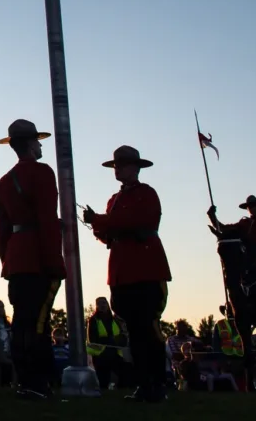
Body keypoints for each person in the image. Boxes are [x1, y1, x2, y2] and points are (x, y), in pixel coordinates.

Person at [83, 145, 173, 403]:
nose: (118, 169)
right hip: (122, 272)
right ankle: (144, 384)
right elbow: (110, 234)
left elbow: (132, 222)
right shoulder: (114, 199)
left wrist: (99, 220)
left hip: (146, 270)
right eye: (116, 165)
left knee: (148, 329)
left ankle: (157, 384)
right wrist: (96, 226)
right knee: (133, 332)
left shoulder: (147, 194)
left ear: (135, 168)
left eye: (121, 165)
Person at [0, 119, 66, 399]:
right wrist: (55, 261)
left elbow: (1, 228)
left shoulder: (4, 181)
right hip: (37, 257)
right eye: (37, 141)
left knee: (22, 321)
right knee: (38, 323)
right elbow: (47, 219)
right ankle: (37, 383)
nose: (40, 145)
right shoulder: (43, 173)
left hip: (17, 259)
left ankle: (25, 380)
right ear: (30, 145)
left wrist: (8, 259)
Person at [207, 195, 256, 279]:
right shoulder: (243, 223)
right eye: (250, 206)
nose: (252, 208)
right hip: (246, 253)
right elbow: (223, 228)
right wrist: (212, 215)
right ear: (247, 209)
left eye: (254, 206)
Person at [87, 296, 126, 389]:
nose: (102, 305)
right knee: (103, 381)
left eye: (104, 303)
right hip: (100, 355)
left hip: (116, 353)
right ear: (96, 306)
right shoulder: (93, 320)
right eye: (99, 303)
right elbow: (93, 339)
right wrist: (111, 340)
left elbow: (122, 337)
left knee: (124, 375)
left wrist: (114, 340)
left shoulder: (115, 320)